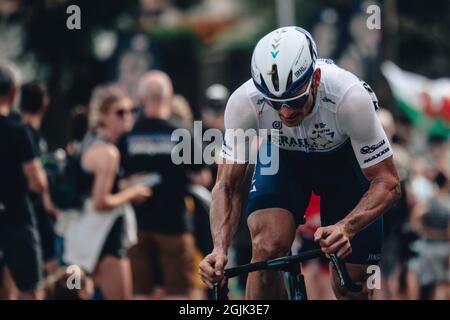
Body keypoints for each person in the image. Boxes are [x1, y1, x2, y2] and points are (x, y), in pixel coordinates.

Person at [199, 26, 401, 300]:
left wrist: (346, 227)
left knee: (350, 285)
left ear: (315, 78)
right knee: (267, 248)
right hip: (284, 157)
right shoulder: (244, 102)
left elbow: (388, 182)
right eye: (275, 103)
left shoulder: (349, 97)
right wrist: (219, 248)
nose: (285, 112)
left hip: (343, 164)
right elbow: (227, 186)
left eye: (295, 100)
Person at [63, 85, 151, 300]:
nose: (127, 117)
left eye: (132, 111)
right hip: (104, 238)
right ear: (102, 115)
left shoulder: (90, 142)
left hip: (85, 239)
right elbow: (100, 202)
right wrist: (133, 192)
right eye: (120, 112)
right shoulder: (108, 153)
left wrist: (123, 186)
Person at [119, 71, 199, 299]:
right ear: (169, 96)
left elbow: (118, 178)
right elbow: (202, 176)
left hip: (136, 226)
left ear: (142, 99)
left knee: (140, 293)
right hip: (174, 223)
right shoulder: (184, 132)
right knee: (179, 293)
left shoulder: (128, 135)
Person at [0, 64, 49, 299]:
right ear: (14, 91)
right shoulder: (18, 131)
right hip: (16, 216)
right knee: (30, 287)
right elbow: (37, 180)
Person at [19, 81, 59, 275]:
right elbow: (36, 177)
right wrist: (48, 202)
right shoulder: (26, 133)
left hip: (26, 210)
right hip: (34, 211)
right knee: (46, 268)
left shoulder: (25, 131)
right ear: (45, 103)